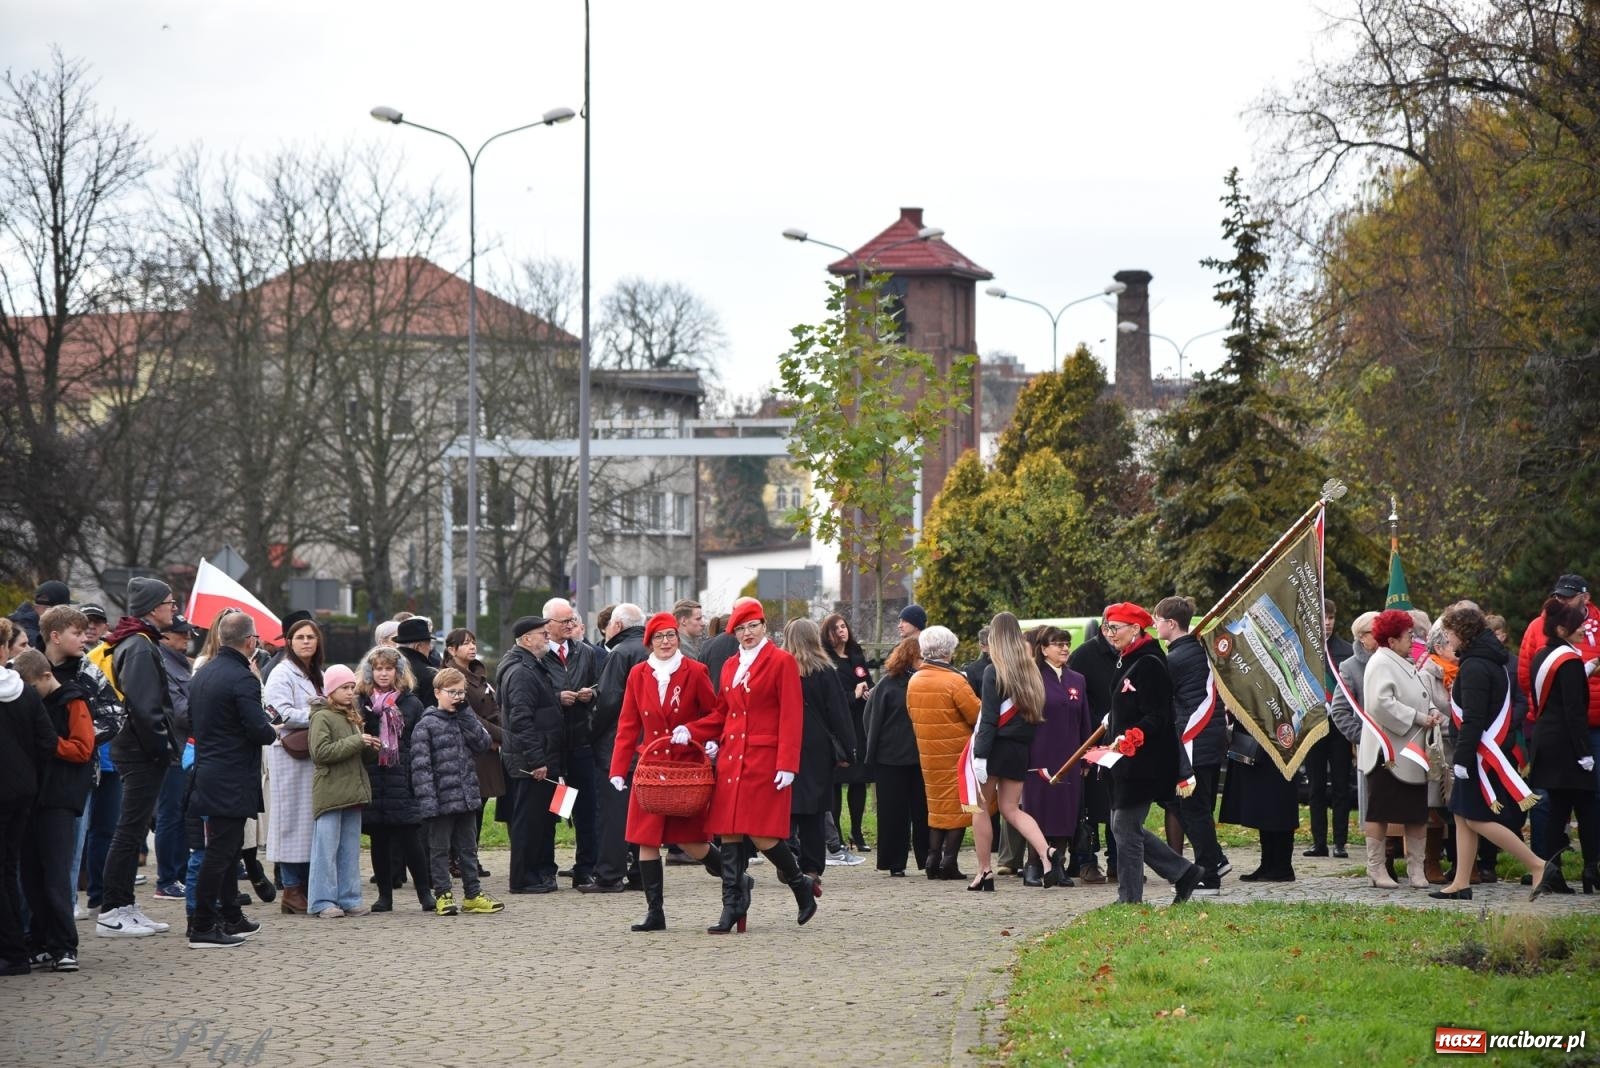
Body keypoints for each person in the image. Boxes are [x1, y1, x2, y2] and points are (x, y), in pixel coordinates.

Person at [607, 612, 729, 932]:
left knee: (691, 841)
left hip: (684, 767)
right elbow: (628, 723)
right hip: (650, 769)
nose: (665, 642)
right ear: (649, 641)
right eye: (659, 637)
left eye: (671, 636)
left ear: (678, 639)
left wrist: (697, 732)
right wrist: (619, 767)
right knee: (645, 839)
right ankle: (655, 912)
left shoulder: (695, 671)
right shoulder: (638, 674)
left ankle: (734, 879)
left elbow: (716, 714)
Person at [700, 601, 818, 928]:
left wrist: (788, 763)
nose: (747, 633)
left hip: (764, 758)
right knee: (729, 832)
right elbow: (722, 712)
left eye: (752, 626)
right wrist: (700, 733)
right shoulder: (728, 665)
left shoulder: (781, 661)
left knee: (761, 830)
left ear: (764, 626)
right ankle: (732, 905)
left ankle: (799, 883)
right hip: (731, 757)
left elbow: (792, 714)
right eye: (740, 629)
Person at [1433, 604, 1562, 900]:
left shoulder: (1476, 665)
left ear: (1461, 633)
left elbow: (1474, 718)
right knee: (1462, 816)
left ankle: (1538, 865)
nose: (1447, 639)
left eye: (1448, 632)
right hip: (1481, 751)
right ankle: (1460, 882)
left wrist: (1463, 759)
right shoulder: (1487, 659)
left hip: (1479, 754)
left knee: (1477, 818)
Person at [1095, 604, 1204, 904]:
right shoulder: (1126, 659)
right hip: (1124, 760)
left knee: (1124, 826)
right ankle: (1183, 872)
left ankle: (1129, 900)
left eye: (1115, 627)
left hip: (1146, 761)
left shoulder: (1151, 663)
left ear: (1135, 628)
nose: (1109, 634)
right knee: (1124, 826)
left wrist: (1133, 735)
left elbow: (1158, 715)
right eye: (1107, 628)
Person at [186, 610, 276, 948]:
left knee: (226, 849)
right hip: (232, 775)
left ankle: (227, 917)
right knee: (221, 853)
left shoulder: (203, 674)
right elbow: (257, 729)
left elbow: (190, 721)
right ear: (251, 640)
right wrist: (272, 730)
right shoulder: (243, 678)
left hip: (208, 771)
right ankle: (204, 925)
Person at [98, 577, 179, 939]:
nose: (174, 609)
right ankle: (113, 910)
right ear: (151, 608)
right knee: (129, 830)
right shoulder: (141, 646)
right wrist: (163, 749)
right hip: (140, 752)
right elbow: (146, 709)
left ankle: (125, 904)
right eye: (170, 602)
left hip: (134, 749)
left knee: (130, 830)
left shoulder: (136, 642)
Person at [968, 612, 1071, 893]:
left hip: (994, 748)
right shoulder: (1032, 671)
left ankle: (983, 872)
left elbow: (989, 718)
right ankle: (1046, 854)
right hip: (1020, 749)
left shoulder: (993, 671)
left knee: (979, 809)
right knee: (1012, 809)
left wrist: (979, 755)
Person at [13, 650, 94, 970]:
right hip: (32, 796)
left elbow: (83, 747)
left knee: (56, 875)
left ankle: (64, 945)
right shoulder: (34, 701)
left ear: (47, 677)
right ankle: (41, 939)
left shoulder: (73, 701)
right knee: (31, 874)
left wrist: (48, 743)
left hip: (58, 797)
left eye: (32, 688)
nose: (28, 696)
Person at [1359, 609, 1445, 890]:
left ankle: (1416, 870)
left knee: (1416, 813)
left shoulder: (1404, 661)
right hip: (1389, 753)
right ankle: (1376, 868)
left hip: (1413, 753)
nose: (1413, 638)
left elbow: (1422, 695)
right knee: (1380, 812)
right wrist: (1420, 718)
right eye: (1408, 634)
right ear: (1392, 639)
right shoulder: (1381, 662)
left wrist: (1431, 710)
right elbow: (1380, 704)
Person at [411, 666, 502, 916]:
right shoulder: (426, 725)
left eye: (461, 692)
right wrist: (427, 803)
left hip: (467, 796)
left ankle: (473, 894)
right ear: (438, 692)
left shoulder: (464, 718)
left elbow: (483, 744)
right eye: (451, 692)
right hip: (440, 801)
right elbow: (421, 768)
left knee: (468, 848)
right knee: (440, 850)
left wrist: (467, 716)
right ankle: (443, 894)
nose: (457, 697)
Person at [0, 639, 64, 974]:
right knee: (10, 869)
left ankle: (12, 951)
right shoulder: (24, 692)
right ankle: (15, 950)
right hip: (23, 790)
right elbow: (48, 743)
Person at [1528, 596, 1600, 892]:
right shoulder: (1569, 661)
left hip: (1547, 742)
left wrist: (1583, 672)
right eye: (1576, 626)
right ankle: (1591, 869)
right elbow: (1573, 711)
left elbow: (1553, 695)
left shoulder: (1543, 656)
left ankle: (1551, 868)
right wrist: (1585, 752)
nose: (1583, 630)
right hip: (1569, 747)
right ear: (1560, 629)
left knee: (1557, 809)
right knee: (1587, 806)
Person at [781, 619, 857, 887]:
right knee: (814, 808)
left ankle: (788, 858)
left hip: (784, 742)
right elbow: (839, 712)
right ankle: (811, 866)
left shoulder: (780, 669)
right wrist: (849, 748)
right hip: (816, 745)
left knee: (787, 804)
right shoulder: (825, 671)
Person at [1156, 597, 1225, 893]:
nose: (1154, 625)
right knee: (1190, 806)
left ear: (1171, 624)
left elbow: (1159, 694)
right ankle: (1216, 859)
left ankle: (1209, 873)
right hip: (1209, 740)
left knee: (1193, 809)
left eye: (1157, 620)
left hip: (1193, 740)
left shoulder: (1176, 659)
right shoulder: (1197, 650)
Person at [357, 646, 433, 912]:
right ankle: (384, 895)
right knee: (379, 839)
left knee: (410, 837)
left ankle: (425, 893)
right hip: (375, 776)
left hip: (403, 775)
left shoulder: (411, 702)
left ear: (398, 672)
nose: (383, 674)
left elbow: (420, 740)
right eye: (378, 668)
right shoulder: (362, 703)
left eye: (389, 668)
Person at [906, 625, 981, 881]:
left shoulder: (915, 680)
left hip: (928, 752)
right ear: (948, 651)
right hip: (956, 752)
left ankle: (932, 857)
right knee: (959, 806)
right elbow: (976, 714)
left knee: (937, 807)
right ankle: (949, 861)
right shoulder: (954, 681)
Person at [1019, 625, 1091, 888]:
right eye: (1057, 643)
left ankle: (1058, 865)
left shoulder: (1077, 679)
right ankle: (1033, 866)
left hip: (1070, 755)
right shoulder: (1032, 677)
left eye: (1066, 643)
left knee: (1065, 811)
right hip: (1039, 754)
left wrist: (1085, 757)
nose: (1064, 648)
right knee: (1038, 810)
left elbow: (1085, 721)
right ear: (1043, 648)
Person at [497, 616, 564, 894]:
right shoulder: (521, 671)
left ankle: (536, 872)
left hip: (539, 756)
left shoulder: (530, 665)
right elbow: (521, 719)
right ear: (526, 640)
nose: (547, 637)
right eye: (542, 633)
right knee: (528, 821)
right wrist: (537, 760)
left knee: (541, 820)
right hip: (530, 762)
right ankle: (523, 878)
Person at [263, 616, 325, 914]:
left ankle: (308, 884)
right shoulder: (280, 673)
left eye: (310, 637)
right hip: (288, 753)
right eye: (299, 637)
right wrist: (318, 714)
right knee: (289, 821)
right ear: (289, 641)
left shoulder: (316, 673)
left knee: (309, 821)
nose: (305, 642)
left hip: (312, 754)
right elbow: (278, 714)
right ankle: (290, 888)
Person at [307, 665, 378, 918]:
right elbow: (320, 753)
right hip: (330, 792)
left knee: (349, 849)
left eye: (351, 688)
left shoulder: (351, 715)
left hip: (352, 791)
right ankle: (322, 901)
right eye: (344, 688)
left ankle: (349, 898)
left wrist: (370, 746)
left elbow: (353, 753)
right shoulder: (321, 717)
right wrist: (356, 741)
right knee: (325, 851)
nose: (350, 693)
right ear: (330, 690)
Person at [588, 603, 649, 893]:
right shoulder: (655, 651)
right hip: (649, 746)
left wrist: (591, 731)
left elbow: (610, 702)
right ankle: (641, 873)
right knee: (642, 812)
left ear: (618, 625)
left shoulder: (622, 653)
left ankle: (609, 874)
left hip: (619, 745)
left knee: (613, 813)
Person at [540, 600, 600, 889]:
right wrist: (556, 697)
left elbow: (601, 683)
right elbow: (533, 694)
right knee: (554, 809)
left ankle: (585, 867)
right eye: (563, 621)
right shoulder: (539, 657)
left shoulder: (585, 652)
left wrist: (592, 693)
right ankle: (547, 868)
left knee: (586, 809)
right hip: (553, 746)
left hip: (581, 742)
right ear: (547, 624)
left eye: (572, 620)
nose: (569, 626)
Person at [864, 637, 929, 878]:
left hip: (920, 757)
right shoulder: (888, 685)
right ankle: (894, 861)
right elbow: (870, 717)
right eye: (921, 657)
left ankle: (928, 858)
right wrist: (873, 749)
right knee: (892, 813)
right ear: (909, 658)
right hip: (890, 758)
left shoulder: (925, 682)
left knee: (923, 811)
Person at [444, 629, 504, 881]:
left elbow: (494, 705)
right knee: (467, 805)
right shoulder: (451, 677)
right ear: (451, 650)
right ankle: (456, 857)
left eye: (473, 642)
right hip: (472, 746)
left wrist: (500, 732)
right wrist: (494, 735)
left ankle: (471, 855)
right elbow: (465, 713)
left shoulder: (479, 675)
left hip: (489, 747)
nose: (471, 647)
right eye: (465, 644)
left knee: (480, 804)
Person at [1066, 612, 1119, 883]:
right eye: (1111, 627)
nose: (1114, 633)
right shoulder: (1084, 655)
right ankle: (1085, 860)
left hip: (1123, 742)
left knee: (1117, 803)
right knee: (1087, 806)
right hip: (1091, 741)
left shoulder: (1131, 653)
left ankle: (1117, 861)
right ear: (1103, 627)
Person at [1302, 598, 1355, 859]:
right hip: (1314, 724)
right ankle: (1319, 842)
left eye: (1331, 618)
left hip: (1340, 726)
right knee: (1316, 785)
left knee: (1341, 785)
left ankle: (1341, 842)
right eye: (1323, 618)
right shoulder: (1305, 650)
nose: (1327, 623)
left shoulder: (1346, 650)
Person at [153, 614, 196, 902]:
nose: (187, 638)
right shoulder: (165, 664)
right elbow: (179, 711)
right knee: (169, 815)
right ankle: (166, 879)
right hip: (171, 751)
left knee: (179, 814)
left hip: (183, 749)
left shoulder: (179, 663)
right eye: (181, 634)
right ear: (166, 636)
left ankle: (178, 875)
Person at [822, 613, 873, 855]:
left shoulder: (856, 655)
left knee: (859, 779)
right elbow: (831, 698)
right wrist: (853, 693)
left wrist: (867, 692)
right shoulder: (827, 661)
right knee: (837, 781)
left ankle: (857, 830)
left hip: (859, 725)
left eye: (844, 626)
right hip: (839, 728)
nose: (842, 631)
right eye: (836, 628)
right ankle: (837, 835)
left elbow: (868, 682)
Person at [1416, 625, 1458, 884]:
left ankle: (1462, 863)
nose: (1458, 649)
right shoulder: (1427, 675)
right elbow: (1427, 709)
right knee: (1434, 806)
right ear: (1439, 647)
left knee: (1458, 806)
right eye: (1453, 645)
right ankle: (1431, 862)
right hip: (1437, 747)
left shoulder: (1462, 672)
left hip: (1460, 746)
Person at [9, 580, 71, 651]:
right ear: (51, 610)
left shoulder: (28, 624)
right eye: (66, 610)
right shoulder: (28, 634)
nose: (67, 615)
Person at [395, 617, 438, 709]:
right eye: (428, 644)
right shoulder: (428, 673)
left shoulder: (386, 667)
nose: (430, 648)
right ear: (418, 646)